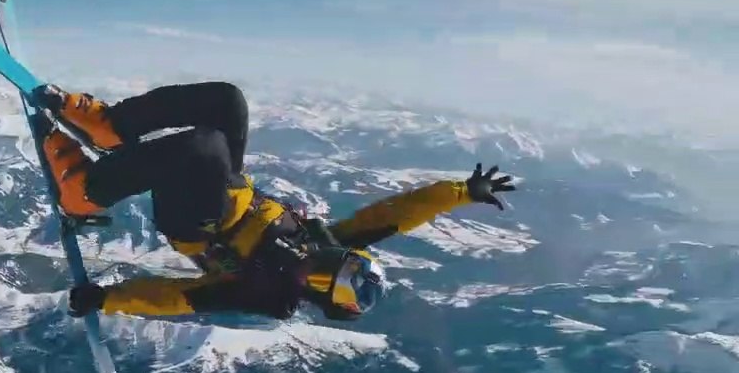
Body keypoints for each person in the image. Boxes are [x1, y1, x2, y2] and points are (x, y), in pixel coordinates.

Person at [31, 81, 517, 322]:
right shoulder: (322, 242)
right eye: (346, 264)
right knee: (228, 103)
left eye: (338, 282)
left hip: (198, 224)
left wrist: (109, 299)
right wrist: (461, 192)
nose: (329, 266)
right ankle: (114, 127)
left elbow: (179, 298)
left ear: (324, 298)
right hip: (231, 190)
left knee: (202, 148)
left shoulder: (266, 292)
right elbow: (395, 214)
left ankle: (86, 194)